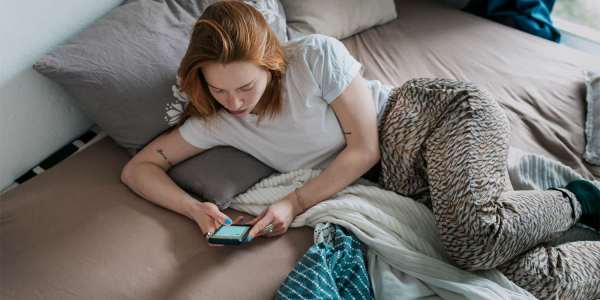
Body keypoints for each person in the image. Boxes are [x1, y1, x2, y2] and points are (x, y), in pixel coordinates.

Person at [120, 1, 600, 299]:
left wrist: (292, 202)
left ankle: (578, 197)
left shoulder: (313, 56)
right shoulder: (218, 120)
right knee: (539, 282)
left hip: (433, 117)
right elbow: (140, 168)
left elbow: (365, 148)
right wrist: (195, 209)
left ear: (270, 62)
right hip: (408, 184)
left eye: (245, 86)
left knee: (473, 239)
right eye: (219, 90)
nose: (236, 103)